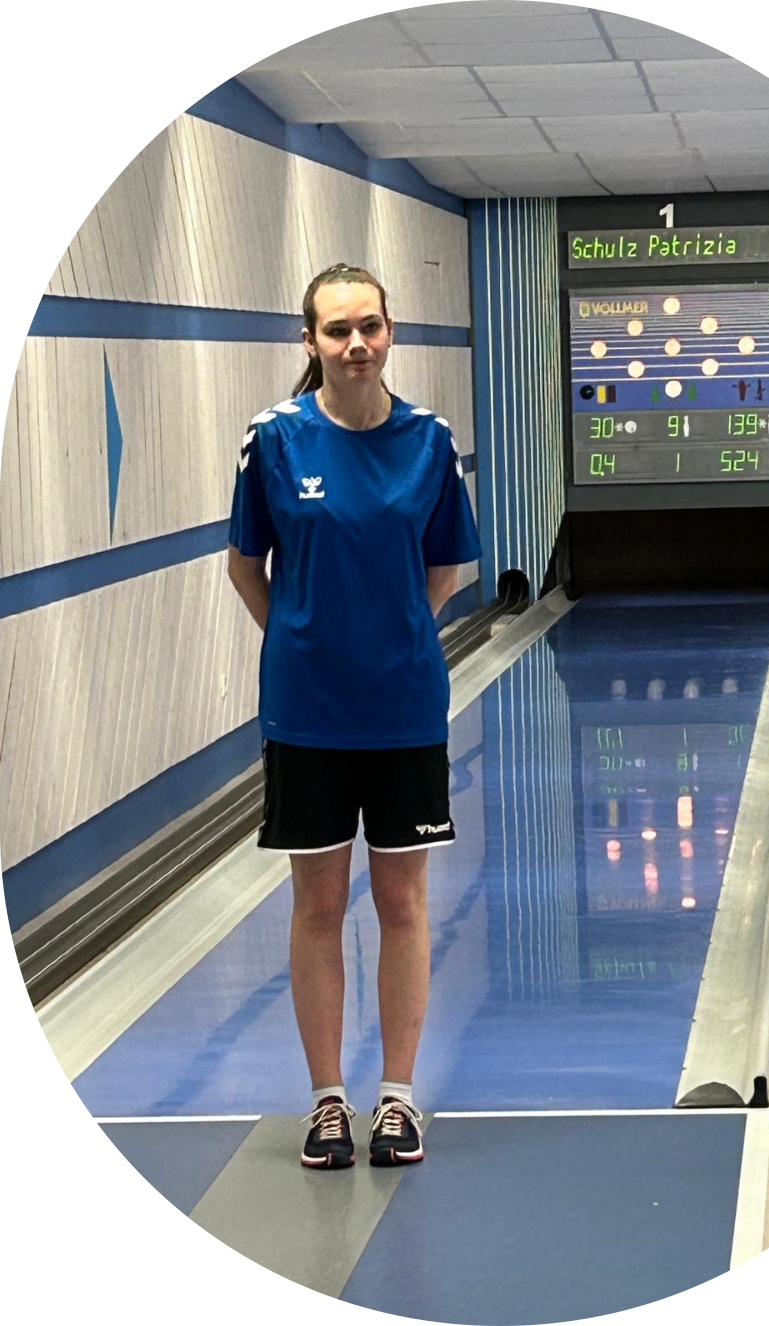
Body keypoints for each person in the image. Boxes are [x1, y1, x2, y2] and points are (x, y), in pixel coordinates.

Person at [227, 262, 482, 1169]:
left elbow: (444, 569)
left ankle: (398, 1099)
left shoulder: (429, 442)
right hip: (307, 715)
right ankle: (328, 1102)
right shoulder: (274, 441)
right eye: (336, 330)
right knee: (320, 905)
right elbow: (246, 567)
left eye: (369, 326)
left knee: (404, 903)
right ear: (310, 341)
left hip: (404, 709)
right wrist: (305, 638)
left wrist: (393, 635)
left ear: (390, 332)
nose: (356, 344)